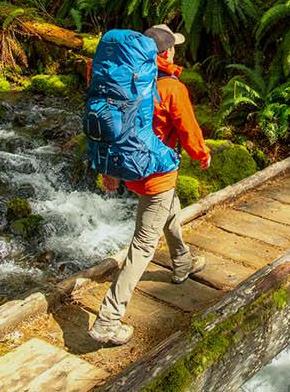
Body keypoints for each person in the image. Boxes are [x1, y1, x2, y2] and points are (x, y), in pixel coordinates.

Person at [88, 24, 211, 346]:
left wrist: (109, 171)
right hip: (157, 173)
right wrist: (202, 154)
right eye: (174, 47)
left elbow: (107, 129)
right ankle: (108, 320)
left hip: (129, 169)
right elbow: (188, 129)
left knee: (169, 210)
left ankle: (182, 262)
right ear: (167, 52)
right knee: (143, 245)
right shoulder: (170, 88)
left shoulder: (121, 81)